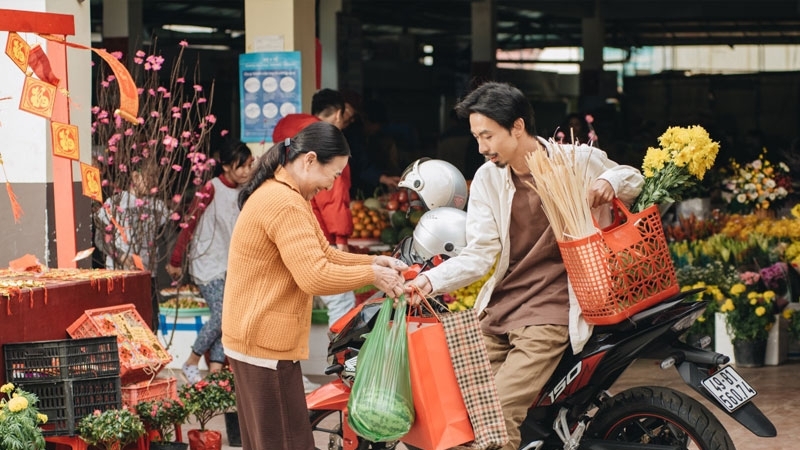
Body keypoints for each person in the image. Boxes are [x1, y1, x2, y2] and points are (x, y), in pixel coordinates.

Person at [405, 81, 643, 450]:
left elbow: (632, 177)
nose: (482, 148)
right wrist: (428, 282)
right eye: (477, 138)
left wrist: (608, 181)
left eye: (488, 136)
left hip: (551, 311)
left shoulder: (574, 160)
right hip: (502, 306)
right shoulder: (488, 177)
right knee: (450, 405)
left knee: (495, 415)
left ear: (517, 127)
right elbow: (481, 254)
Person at [221, 121, 408, 450]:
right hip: (264, 343)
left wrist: (373, 263)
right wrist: (374, 276)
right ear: (309, 160)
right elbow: (314, 275)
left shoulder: (287, 195)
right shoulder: (284, 202)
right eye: (333, 174)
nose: (332, 184)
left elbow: (322, 255)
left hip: (257, 340)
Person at [273, 88, 357, 393]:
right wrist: (340, 240)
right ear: (337, 113)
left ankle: (295, 377)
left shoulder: (287, 136)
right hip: (318, 232)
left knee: (296, 303)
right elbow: (334, 198)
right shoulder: (325, 142)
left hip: (292, 229)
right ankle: (345, 368)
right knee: (343, 303)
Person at [164, 139, 254, 384]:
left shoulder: (244, 192)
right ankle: (191, 360)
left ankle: (215, 370)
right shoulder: (210, 189)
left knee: (230, 317)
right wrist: (175, 258)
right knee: (224, 315)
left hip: (229, 264)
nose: (247, 171)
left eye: (249, 165)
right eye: (241, 166)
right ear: (225, 166)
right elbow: (189, 224)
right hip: (207, 263)